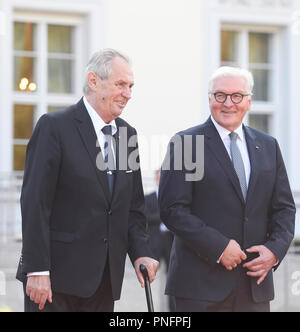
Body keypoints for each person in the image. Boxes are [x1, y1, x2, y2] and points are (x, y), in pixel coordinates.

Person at [16, 49, 159, 312]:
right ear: (93, 81)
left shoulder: (127, 135)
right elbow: (35, 202)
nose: (128, 94)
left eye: (130, 86)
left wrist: (142, 251)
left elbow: (133, 208)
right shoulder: (54, 127)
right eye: (120, 85)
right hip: (53, 282)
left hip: (104, 283)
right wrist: (36, 269)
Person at [158, 66, 295, 312]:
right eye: (220, 95)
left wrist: (275, 251)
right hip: (199, 287)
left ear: (249, 101)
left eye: (237, 96)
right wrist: (219, 247)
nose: (228, 103)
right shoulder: (186, 143)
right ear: (210, 98)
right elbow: (172, 210)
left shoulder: (268, 146)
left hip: (255, 285)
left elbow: (284, 208)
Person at [144, 170, 175, 311]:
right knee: (152, 278)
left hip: (170, 244)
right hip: (155, 244)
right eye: (159, 177)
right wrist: (164, 218)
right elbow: (144, 217)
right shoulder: (148, 198)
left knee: (172, 279)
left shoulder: (173, 198)